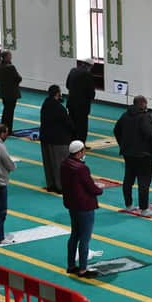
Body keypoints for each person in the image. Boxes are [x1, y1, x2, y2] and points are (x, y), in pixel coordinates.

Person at [61, 140, 103, 279]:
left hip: (72, 205)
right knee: (85, 238)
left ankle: (71, 265)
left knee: (74, 235)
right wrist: (99, 190)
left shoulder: (65, 164)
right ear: (79, 152)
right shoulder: (81, 168)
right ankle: (83, 269)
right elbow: (90, 187)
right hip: (84, 206)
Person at [114, 95, 152, 217]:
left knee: (128, 179)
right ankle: (144, 209)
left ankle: (128, 205)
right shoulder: (144, 117)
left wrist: (122, 145)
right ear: (143, 104)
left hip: (128, 153)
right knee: (144, 181)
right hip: (143, 155)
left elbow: (116, 130)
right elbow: (150, 135)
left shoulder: (125, 115)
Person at [40, 84, 73, 193]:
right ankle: (61, 187)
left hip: (46, 138)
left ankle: (51, 185)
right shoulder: (59, 108)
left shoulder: (45, 104)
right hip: (59, 140)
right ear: (57, 94)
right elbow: (68, 123)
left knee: (49, 163)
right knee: (60, 164)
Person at [66, 58, 96, 143]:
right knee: (82, 126)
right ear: (90, 66)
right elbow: (90, 91)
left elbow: (67, 85)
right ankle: (81, 144)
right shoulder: (87, 74)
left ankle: (71, 141)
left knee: (72, 123)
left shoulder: (73, 70)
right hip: (82, 106)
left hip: (71, 103)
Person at [0, 50, 22, 134]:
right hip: (12, 92)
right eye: (10, 56)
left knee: (5, 111)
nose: (11, 57)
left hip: (3, 91)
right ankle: (8, 130)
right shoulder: (10, 67)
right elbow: (18, 78)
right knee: (10, 113)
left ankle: (2, 128)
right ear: (6, 57)